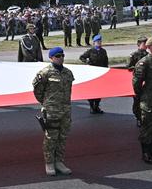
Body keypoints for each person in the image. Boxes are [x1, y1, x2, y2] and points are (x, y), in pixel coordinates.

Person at [33, 47, 74, 176]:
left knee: (63, 137)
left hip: (65, 109)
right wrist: (47, 103)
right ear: (51, 58)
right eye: (57, 56)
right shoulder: (45, 73)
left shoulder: (68, 73)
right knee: (51, 137)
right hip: (51, 110)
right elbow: (38, 91)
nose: (61, 58)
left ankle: (59, 162)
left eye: (62, 55)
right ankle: (49, 162)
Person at [79, 34, 108, 114]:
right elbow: (82, 57)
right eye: (97, 42)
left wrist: (106, 71)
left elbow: (106, 62)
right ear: (94, 43)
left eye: (100, 41)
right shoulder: (91, 51)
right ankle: (91, 106)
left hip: (100, 73)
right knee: (92, 91)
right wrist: (87, 62)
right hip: (92, 73)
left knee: (100, 91)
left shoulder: (103, 51)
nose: (99, 43)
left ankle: (97, 106)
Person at [127, 36, 149, 127]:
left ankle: (145, 117)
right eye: (144, 44)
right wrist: (138, 68)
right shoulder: (133, 55)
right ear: (139, 44)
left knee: (147, 100)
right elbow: (128, 67)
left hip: (147, 81)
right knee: (137, 101)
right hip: (138, 81)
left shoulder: (148, 55)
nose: (146, 45)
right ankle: (138, 118)